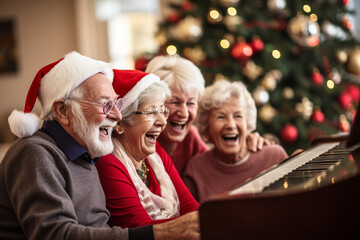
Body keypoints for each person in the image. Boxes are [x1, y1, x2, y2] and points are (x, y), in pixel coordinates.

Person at [0, 51, 199, 240]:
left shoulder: (86, 155)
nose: (117, 115)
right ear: (62, 110)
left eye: (116, 104)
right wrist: (160, 234)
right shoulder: (35, 153)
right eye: (105, 105)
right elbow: (55, 234)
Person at [96, 69, 199, 229]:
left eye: (162, 111)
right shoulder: (108, 162)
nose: (162, 122)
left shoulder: (155, 153)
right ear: (120, 124)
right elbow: (142, 229)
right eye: (151, 112)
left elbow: (189, 206)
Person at [145, 55, 272, 175]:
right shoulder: (137, 140)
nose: (184, 113)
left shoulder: (190, 139)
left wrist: (245, 143)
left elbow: (215, 163)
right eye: (174, 102)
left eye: (191, 103)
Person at [182, 79, 289, 203]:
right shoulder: (196, 170)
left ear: (248, 124)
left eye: (238, 116)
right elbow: (189, 220)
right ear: (206, 130)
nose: (231, 125)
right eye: (220, 117)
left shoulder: (274, 157)